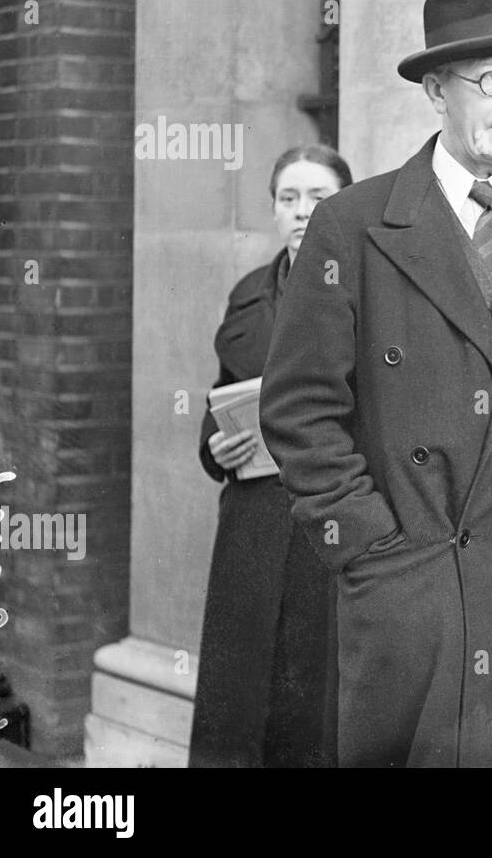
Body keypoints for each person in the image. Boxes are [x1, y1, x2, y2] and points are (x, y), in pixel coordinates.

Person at [260, 0, 492, 767]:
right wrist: (374, 554)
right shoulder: (352, 227)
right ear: (436, 89)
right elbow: (298, 412)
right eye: (490, 80)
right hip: (415, 598)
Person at [190, 143, 353, 768]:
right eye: (288, 198)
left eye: (318, 198)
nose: (302, 211)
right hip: (252, 527)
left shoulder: (365, 289)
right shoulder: (249, 294)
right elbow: (219, 398)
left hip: (327, 524)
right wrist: (215, 444)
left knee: (313, 704)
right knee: (239, 697)